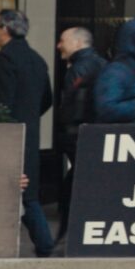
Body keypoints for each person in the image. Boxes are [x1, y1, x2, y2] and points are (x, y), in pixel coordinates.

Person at [0, 10, 57, 258]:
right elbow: (47, 99)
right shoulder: (36, 59)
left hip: (9, 136)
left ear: (4, 29)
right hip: (30, 133)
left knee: (16, 193)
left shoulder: (5, 60)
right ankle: (45, 242)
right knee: (29, 194)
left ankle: (44, 242)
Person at [53, 27, 103, 236]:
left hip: (80, 137)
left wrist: (68, 135)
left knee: (73, 186)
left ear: (77, 43)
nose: (58, 46)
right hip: (89, 135)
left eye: (63, 41)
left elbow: (75, 107)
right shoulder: (98, 63)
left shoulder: (80, 68)